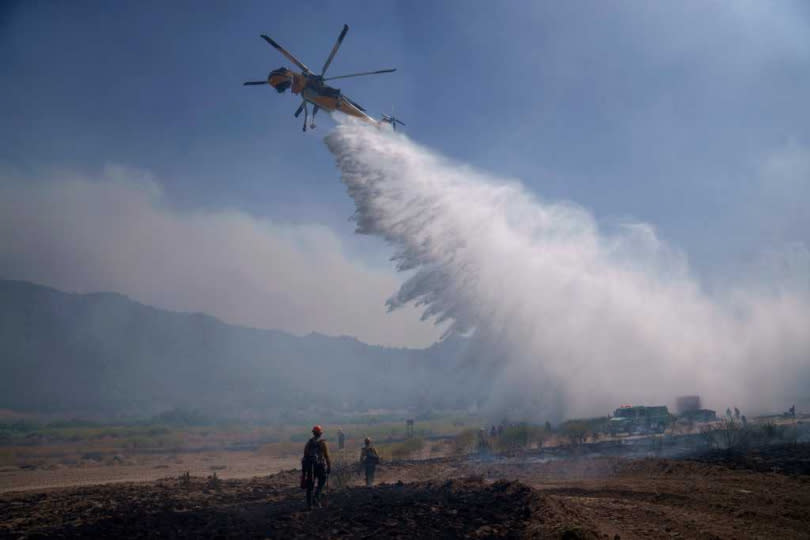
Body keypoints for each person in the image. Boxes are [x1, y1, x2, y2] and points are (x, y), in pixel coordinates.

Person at [301, 425, 331, 509]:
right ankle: (316, 497)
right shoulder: (322, 443)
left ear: (313, 433)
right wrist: (329, 467)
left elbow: (305, 455)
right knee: (322, 481)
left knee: (310, 485)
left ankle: (309, 505)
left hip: (310, 467)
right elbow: (326, 456)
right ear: (320, 434)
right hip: (320, 466)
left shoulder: (309, 443)